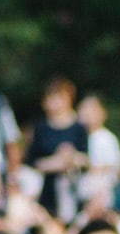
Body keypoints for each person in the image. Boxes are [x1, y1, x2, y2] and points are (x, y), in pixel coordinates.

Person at [25, 78, 88, 221]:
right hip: (45, 187)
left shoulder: (79, 127)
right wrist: (55, 163)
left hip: (72, 185)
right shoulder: (40, 128)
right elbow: (31, 160)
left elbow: (86, 158)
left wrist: (71, 158)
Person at [77, 94, 120, 209]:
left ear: (103, 113)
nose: (87, 113)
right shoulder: (78, 138)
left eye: (92, 109)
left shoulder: (106, 138)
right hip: (79, 196)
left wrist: (85, 163)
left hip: (99, 198)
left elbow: (112, 167)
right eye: (84, 108)